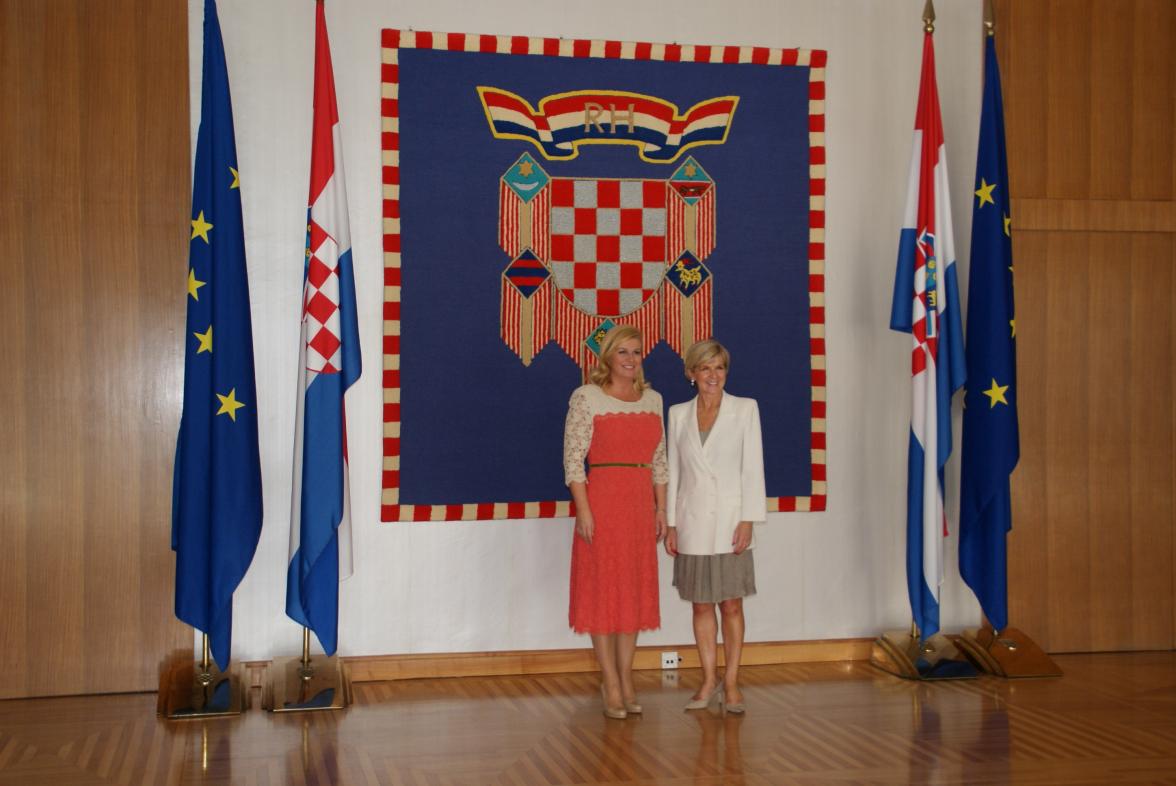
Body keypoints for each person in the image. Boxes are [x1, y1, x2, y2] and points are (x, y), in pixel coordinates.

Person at [564, 325, 668, 720]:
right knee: (603, 593)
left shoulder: (654, 400)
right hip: (603, 502)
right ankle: (609, 681)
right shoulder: (587, 397)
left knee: (632, 593)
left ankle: (627, 678)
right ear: (607, 356)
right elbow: (574, 459)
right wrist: (584, 510)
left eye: (637, 352)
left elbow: (660, 461)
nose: (630, 359)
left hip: (640, 505)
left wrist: (661, 509)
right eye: (622, 351)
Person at [664, 339, 766, 714]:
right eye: (705, 368)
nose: (713, 375)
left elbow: (753, 468)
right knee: (701, 607)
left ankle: (733, 683)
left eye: (719, 367)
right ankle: (708, 681)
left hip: (730, 523)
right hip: (691, 523)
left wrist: (748, 519)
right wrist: (672, 524)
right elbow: (673, 471)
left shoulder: (745, 409)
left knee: (733, 607)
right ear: (691, 373)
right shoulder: (677, 414)